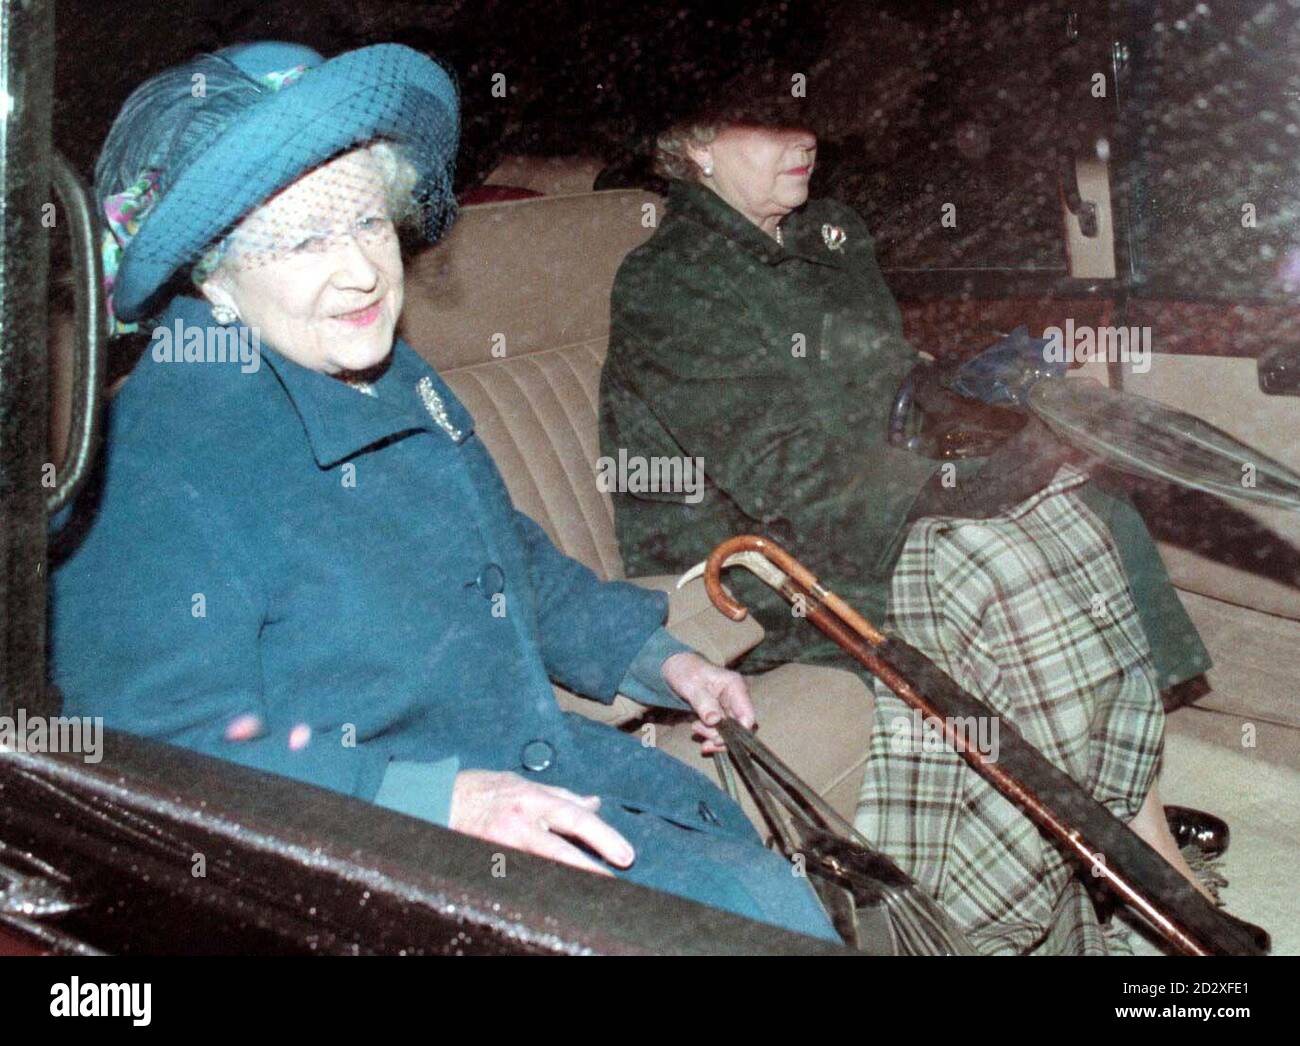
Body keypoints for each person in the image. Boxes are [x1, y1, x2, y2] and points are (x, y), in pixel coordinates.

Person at [48, 41, 841, 945]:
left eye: (366, 223)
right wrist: (436, 802)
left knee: (761, 899)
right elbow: (157, 768)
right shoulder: (152, 464)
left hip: (528, 789)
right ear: (210, 274)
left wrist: (660, 661)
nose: (360, 272)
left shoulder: (389, 376)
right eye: (303, 238)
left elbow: (504, 558)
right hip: (373, 875)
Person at [598, 89, 1219, 953]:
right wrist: (971, 485)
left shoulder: (831, 236)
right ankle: (1085, 890)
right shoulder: (670, 281)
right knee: (1008, 557)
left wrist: (993, 390)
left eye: (804, 118)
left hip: (852, 504)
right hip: (758, 560)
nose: (804, 137)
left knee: (1086, 509)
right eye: (770, 125)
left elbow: (890, 393)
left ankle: (1128, 842)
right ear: (695, 147)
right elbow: (785, 475)